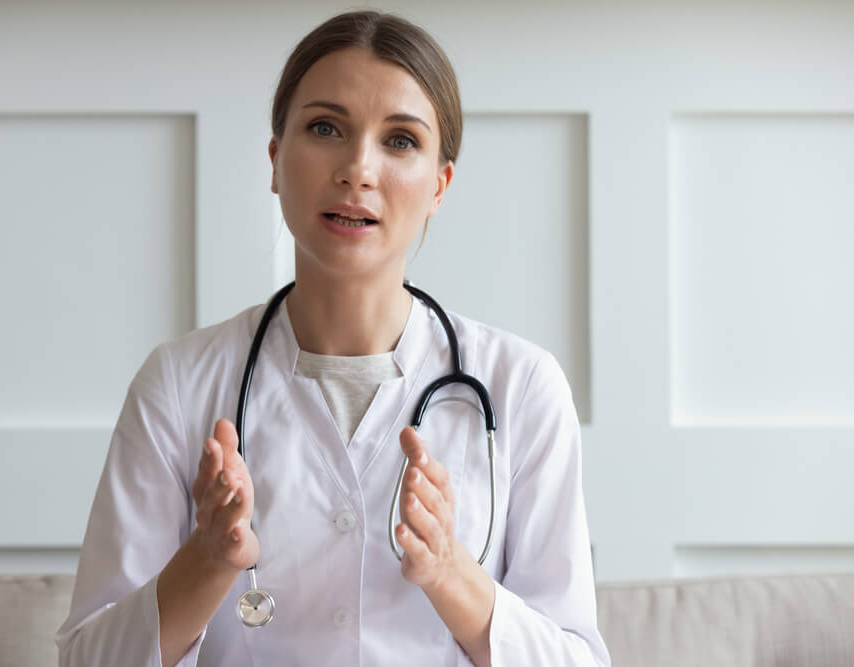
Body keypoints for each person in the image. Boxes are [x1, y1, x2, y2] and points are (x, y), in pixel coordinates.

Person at [56, 10, 609, 667]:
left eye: (400, 140)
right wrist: (207, 560)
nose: (357, 168)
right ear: (275, 160)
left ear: (439, 185)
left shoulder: (521, 387)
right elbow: (87, 659)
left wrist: (450, 573)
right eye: (325, 128)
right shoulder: (179, 384)